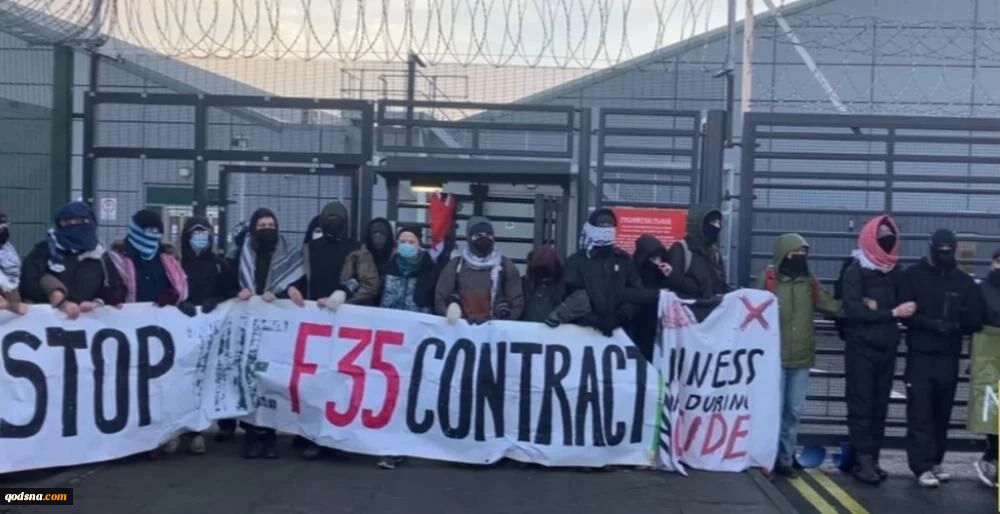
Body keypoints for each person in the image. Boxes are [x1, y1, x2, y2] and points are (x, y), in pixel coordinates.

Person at [900, 229, 983, 488]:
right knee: (920, 413)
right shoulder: (913, 276)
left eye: (949, 249)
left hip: (949, 356)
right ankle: (920, 465)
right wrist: (934, 325)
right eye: (941, 249)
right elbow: (905, 313)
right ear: (932, 248)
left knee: (941, 413)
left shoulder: (964, 282)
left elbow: (975, 318)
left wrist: (954, 326)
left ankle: (936, 460)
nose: (945, 253)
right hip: (920, 355)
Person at [755, 233, 842, 478]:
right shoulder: (767, 280)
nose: (800, 257)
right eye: (795, 253)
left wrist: (860, 307)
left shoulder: (809, 282)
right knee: (772, 411)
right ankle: (767, 458)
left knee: (794, 411)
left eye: (804, 253)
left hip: (801, 358)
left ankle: (786, 458)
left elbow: (830, 304)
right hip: (774, 358)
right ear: (783, 255)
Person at [840, 214, 915, 485]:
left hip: (887, 346)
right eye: (882, 236)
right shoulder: (855, 270)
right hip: (860, 347)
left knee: (880, 404)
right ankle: (863, 459)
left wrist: (880, 309)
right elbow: (854, 310)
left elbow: (904, 304)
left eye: (890, 236)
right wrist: (890, 312)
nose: (887, 241)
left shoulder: (896, 271)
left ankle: (874, 456)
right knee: (861, 403)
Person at [235, 208, 306, 459]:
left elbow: (296, 284)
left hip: (276, 329)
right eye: (262, 225)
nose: (267, 229)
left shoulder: (290, 253)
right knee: (250, 378)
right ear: (254, 228)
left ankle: (270, 436)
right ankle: (251, 436)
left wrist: (287, 292)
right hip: (249, 325)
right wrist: (240, 292)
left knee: (273, 378)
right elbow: (230, 284)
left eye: (271, 225)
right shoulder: (241, 253)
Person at [373, 225, 436, 470]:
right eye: (403, 241)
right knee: (388, 394)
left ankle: (404, 445)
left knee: (410, 394)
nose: (407, 245)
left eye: (411, 241)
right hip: (388, 343)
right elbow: (371, 291)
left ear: (419, 244)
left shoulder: (430, 269)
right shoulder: (387, 268)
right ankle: (388, 448)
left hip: (416, 344)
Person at [177, 216, 238, 454]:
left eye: (205, 232)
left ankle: (226, 423)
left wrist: (218, 300)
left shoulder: (220, 264)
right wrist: (180, 304)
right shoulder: (177, 264)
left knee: (218, 374)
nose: (201, 237)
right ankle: (191, 431)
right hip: (186, 330)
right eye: (196, 232)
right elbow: (169, 290)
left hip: (215, 330)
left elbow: (232, 290)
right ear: (186, 236)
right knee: (188, 378)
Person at [20, 201, 126, 317]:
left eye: (79, 221)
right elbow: (28, 282)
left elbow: (117, 288)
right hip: (47, 321)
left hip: (90, 322)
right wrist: (59, 301)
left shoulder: (100, 254)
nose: (73, 226)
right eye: (66, 222)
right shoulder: (45, 250)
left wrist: (98, 302)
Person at [562, 208, 642, 337]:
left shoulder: (623, 260)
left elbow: (635, 292)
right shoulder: (576, 261)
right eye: (602, 225)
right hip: (582, 332)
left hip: (620, 333)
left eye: (609, 225)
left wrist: (620, 316)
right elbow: (569, 293)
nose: (606, 229)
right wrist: (590, 318)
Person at [435, 216, 523, 324]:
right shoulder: (456, 266)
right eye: (478, 236)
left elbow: (517, 301)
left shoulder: (505, 266)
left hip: (495, 329)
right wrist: (453, 317)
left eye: (488, 235)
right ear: (469, 238)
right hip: (461, 328)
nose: (483, 238)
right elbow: (440, 298)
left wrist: (503, 323)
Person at [108, 209, 192, 313]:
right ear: (136, 230)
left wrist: (173, 294)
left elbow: (181, 285)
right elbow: (110, 288)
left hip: (161, 318)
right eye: (149, 230)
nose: (153, 235)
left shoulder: (168, 258)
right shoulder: (116, 259)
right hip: (127, 318)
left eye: (157, 231)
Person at [664, 203, 730, 321]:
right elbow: (674, 282)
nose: (717, 227)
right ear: (699, 224)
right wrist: (697, 289)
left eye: (719, 223)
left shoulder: (715, 252)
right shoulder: (681, 249)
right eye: (713, 222)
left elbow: (721, 284)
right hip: (688, 317)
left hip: (713, 317)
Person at [975, 249, 1000, 487]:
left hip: (990, 355)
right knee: (993, 407)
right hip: (990, 356)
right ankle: (991, 457)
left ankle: (991, 457)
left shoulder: (983, 289)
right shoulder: (983, 289)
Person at [628, 235, 674, 361]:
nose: (656, 261)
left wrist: (671, 276)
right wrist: (656, 294)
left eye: (659, 257)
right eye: (653, 258)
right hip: (639, 322)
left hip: (660, 323)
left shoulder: (663, 272)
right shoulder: (633, 271)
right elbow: (629, 292)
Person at [331, 216, 390, 310]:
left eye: (382, 233)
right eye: (374, 233)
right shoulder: (358, 257)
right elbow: (349, 282)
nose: (378, 237)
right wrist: (347, 300)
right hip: (363, 309)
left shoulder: (395, 259)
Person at [521, 245, 565, 323]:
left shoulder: (563, 286)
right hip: (528, 327)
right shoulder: (524, 284)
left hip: (552, 327)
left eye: (545, 271)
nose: (542, 275)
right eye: (538, 271)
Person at [0, 209, 26, 315]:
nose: (2, 230)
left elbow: (16, 275)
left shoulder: (8, 248)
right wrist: (10, 306)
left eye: (4, 226)